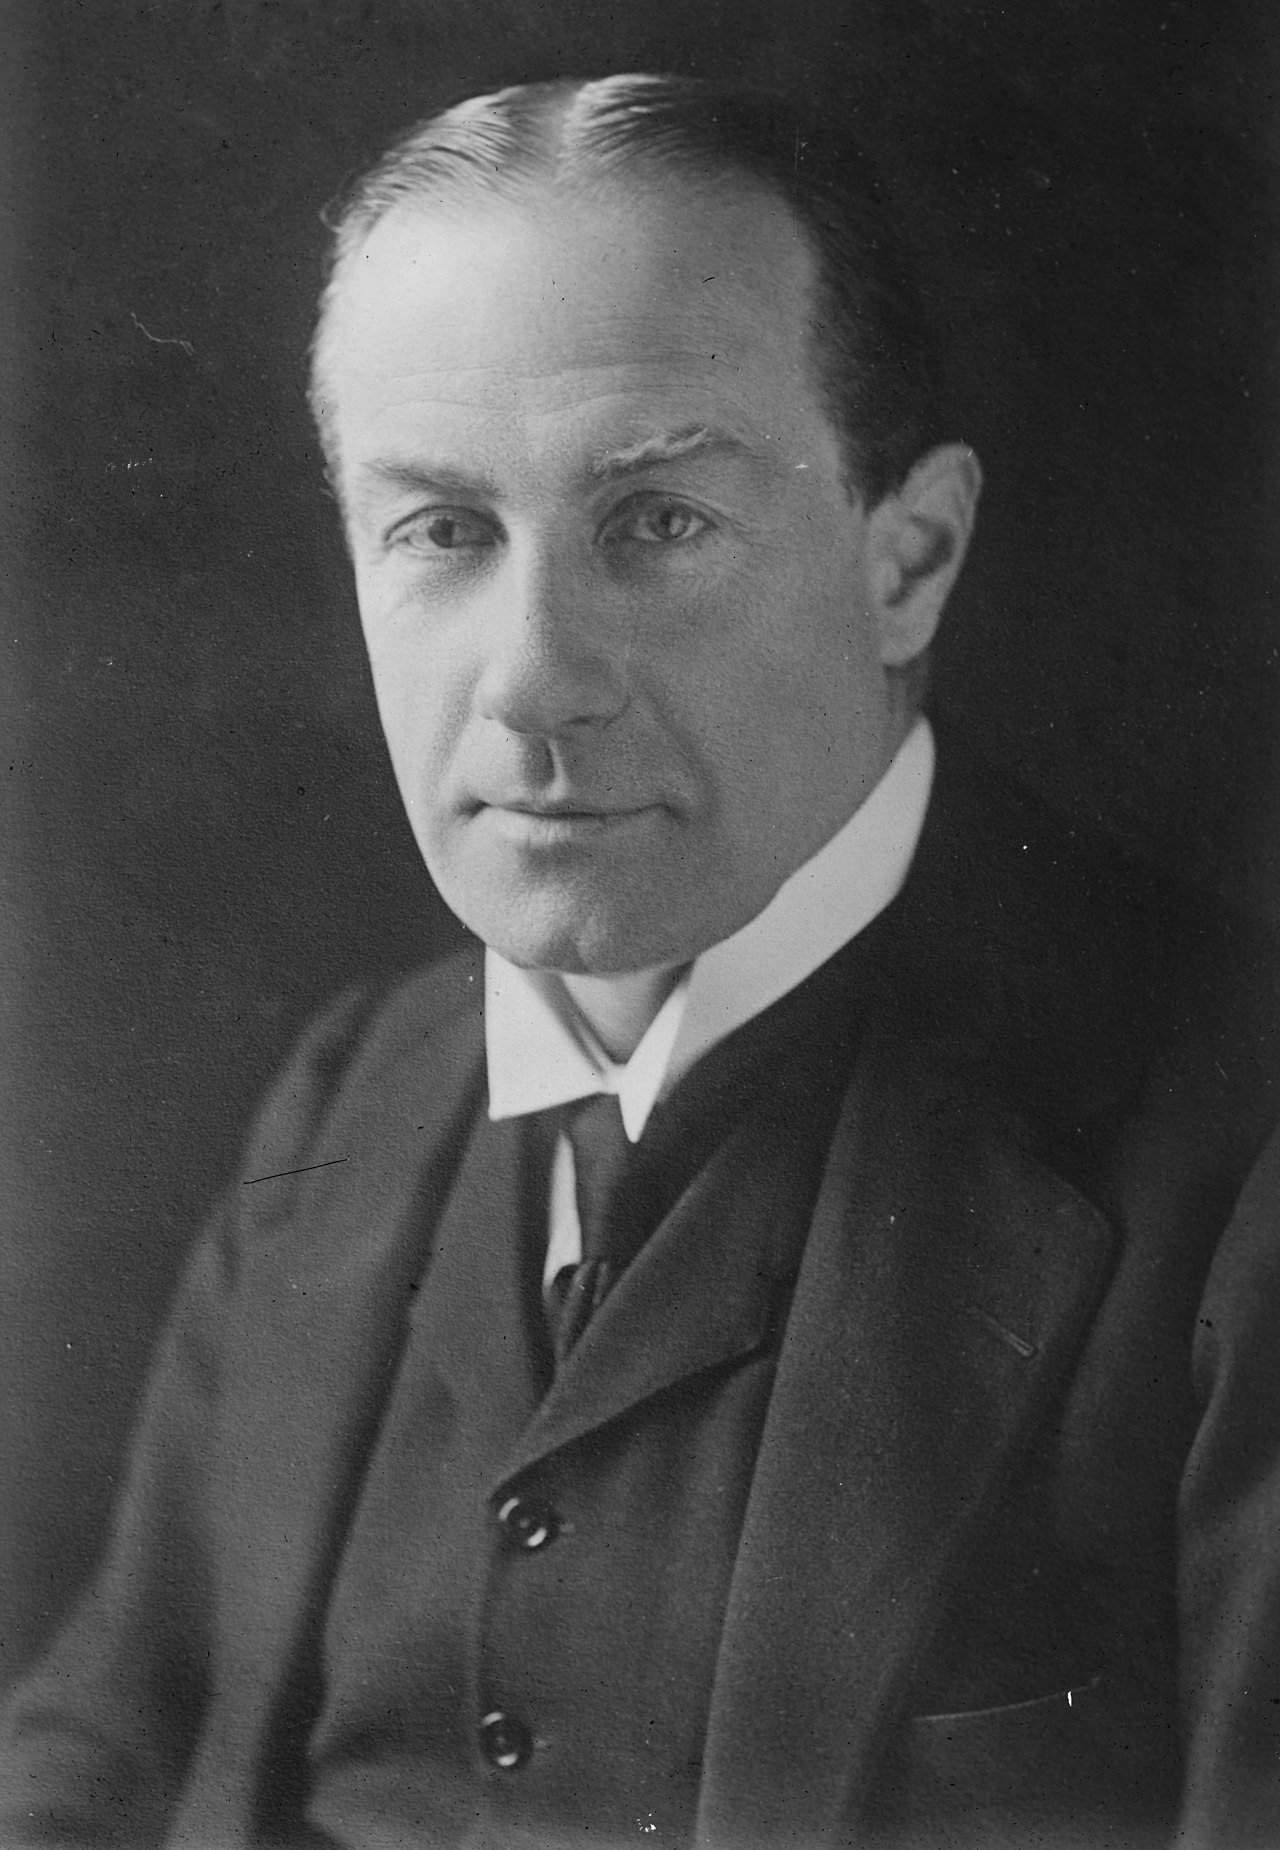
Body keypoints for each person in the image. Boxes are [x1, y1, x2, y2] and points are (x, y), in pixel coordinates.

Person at [1, 73, 1275, 1850]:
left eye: (657, 524)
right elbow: (102, 1744)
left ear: (906, 562)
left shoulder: (1232, 1150)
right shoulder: (352, 1096)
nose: (531, 675)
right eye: (441, 529)